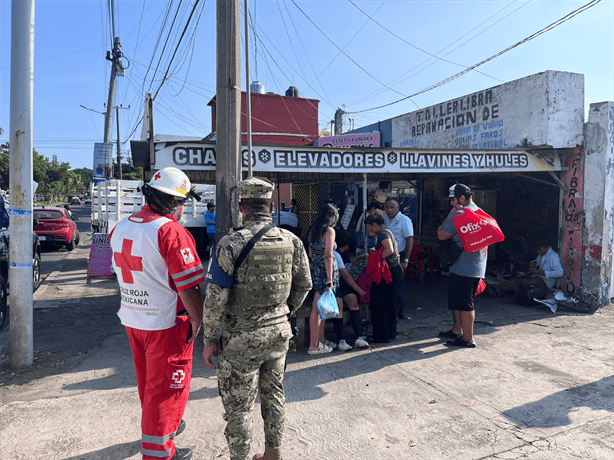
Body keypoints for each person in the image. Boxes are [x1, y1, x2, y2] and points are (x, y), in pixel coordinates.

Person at [202, 177, 312, 460]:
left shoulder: (230, 244)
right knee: (274, 394)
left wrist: (209, 340)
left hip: (241, 339)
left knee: (239, 406)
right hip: (278, 334)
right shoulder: (292, 241)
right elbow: (305, 285)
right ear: (271, 206)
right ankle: (273, 454)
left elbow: (216, 299)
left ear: (241, 207)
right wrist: (285, 311)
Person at [110, 167, 205, 460]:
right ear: (174, 202)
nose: (182, 208)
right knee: (166, 389)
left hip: (133, 318)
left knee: (150, 383)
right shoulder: (172, 231)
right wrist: (200, 322)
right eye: (182, 203)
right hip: (166, 324)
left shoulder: (120, 227)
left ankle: (167, 426)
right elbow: (188, 288)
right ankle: (159, 453)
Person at [437, 183, 487, 348]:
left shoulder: (457, 214)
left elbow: (441, 234)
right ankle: (456, 329)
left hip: (462, 267)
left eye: (453, 200)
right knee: (459, 301)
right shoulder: (480, 213)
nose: (451, 203)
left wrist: (450, 214)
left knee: (465, 304)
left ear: (462, 199)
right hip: (476, 265)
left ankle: (467, 338)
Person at [306, 203, 340, 355]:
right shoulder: (329, 231)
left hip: (315, 268)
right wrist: (329, 278)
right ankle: (314, 346)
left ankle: (321, 340)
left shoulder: (313, 229)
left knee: (321, 306)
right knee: (317, 308)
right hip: (324, 272)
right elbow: (328, 254)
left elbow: (311, 253)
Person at [365, 213, 403, 343]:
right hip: (395, 270)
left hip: (389, 272)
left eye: (370, 227)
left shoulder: (382, 233)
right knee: (390, 303)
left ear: (375, 225)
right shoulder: (387, 231)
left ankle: (381, 335)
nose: (369, 230)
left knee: (378, 303)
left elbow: (389, 250)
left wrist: (375, 257)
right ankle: (390, 333)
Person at [334, 235, 369, 349]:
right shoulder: (335, 254)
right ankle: (341, 340)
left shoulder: (344, 253)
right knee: (338, 305)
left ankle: (359, 337)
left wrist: (359, 258)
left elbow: (346, 265)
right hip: (336, 285)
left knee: (353, 301)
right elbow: (345, 275)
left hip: (346, 286)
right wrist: (360, 290)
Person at [491, 241, 563, 295]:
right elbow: (536, 261)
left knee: (519, 281)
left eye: (540, 250)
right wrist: (533, 263)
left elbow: (560, 273)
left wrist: (541, 272)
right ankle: (500, 290)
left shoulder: (553, 256)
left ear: (547, 247)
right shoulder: (542, 254)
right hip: (536, 276)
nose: (538, 252)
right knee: (516, 278)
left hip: (545, 282)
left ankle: (497, 288)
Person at [384, 197, 414, 319]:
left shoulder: (404, 220)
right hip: (387, 255)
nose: (389, 210)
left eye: (392, 207)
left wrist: (406, 260)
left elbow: (409, 240)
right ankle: (399, 309)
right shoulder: (385, 219)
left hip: (399, 255)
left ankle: (396, 312)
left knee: (398, 284)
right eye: (387, 207)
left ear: (398, 208)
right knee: (389, 284)